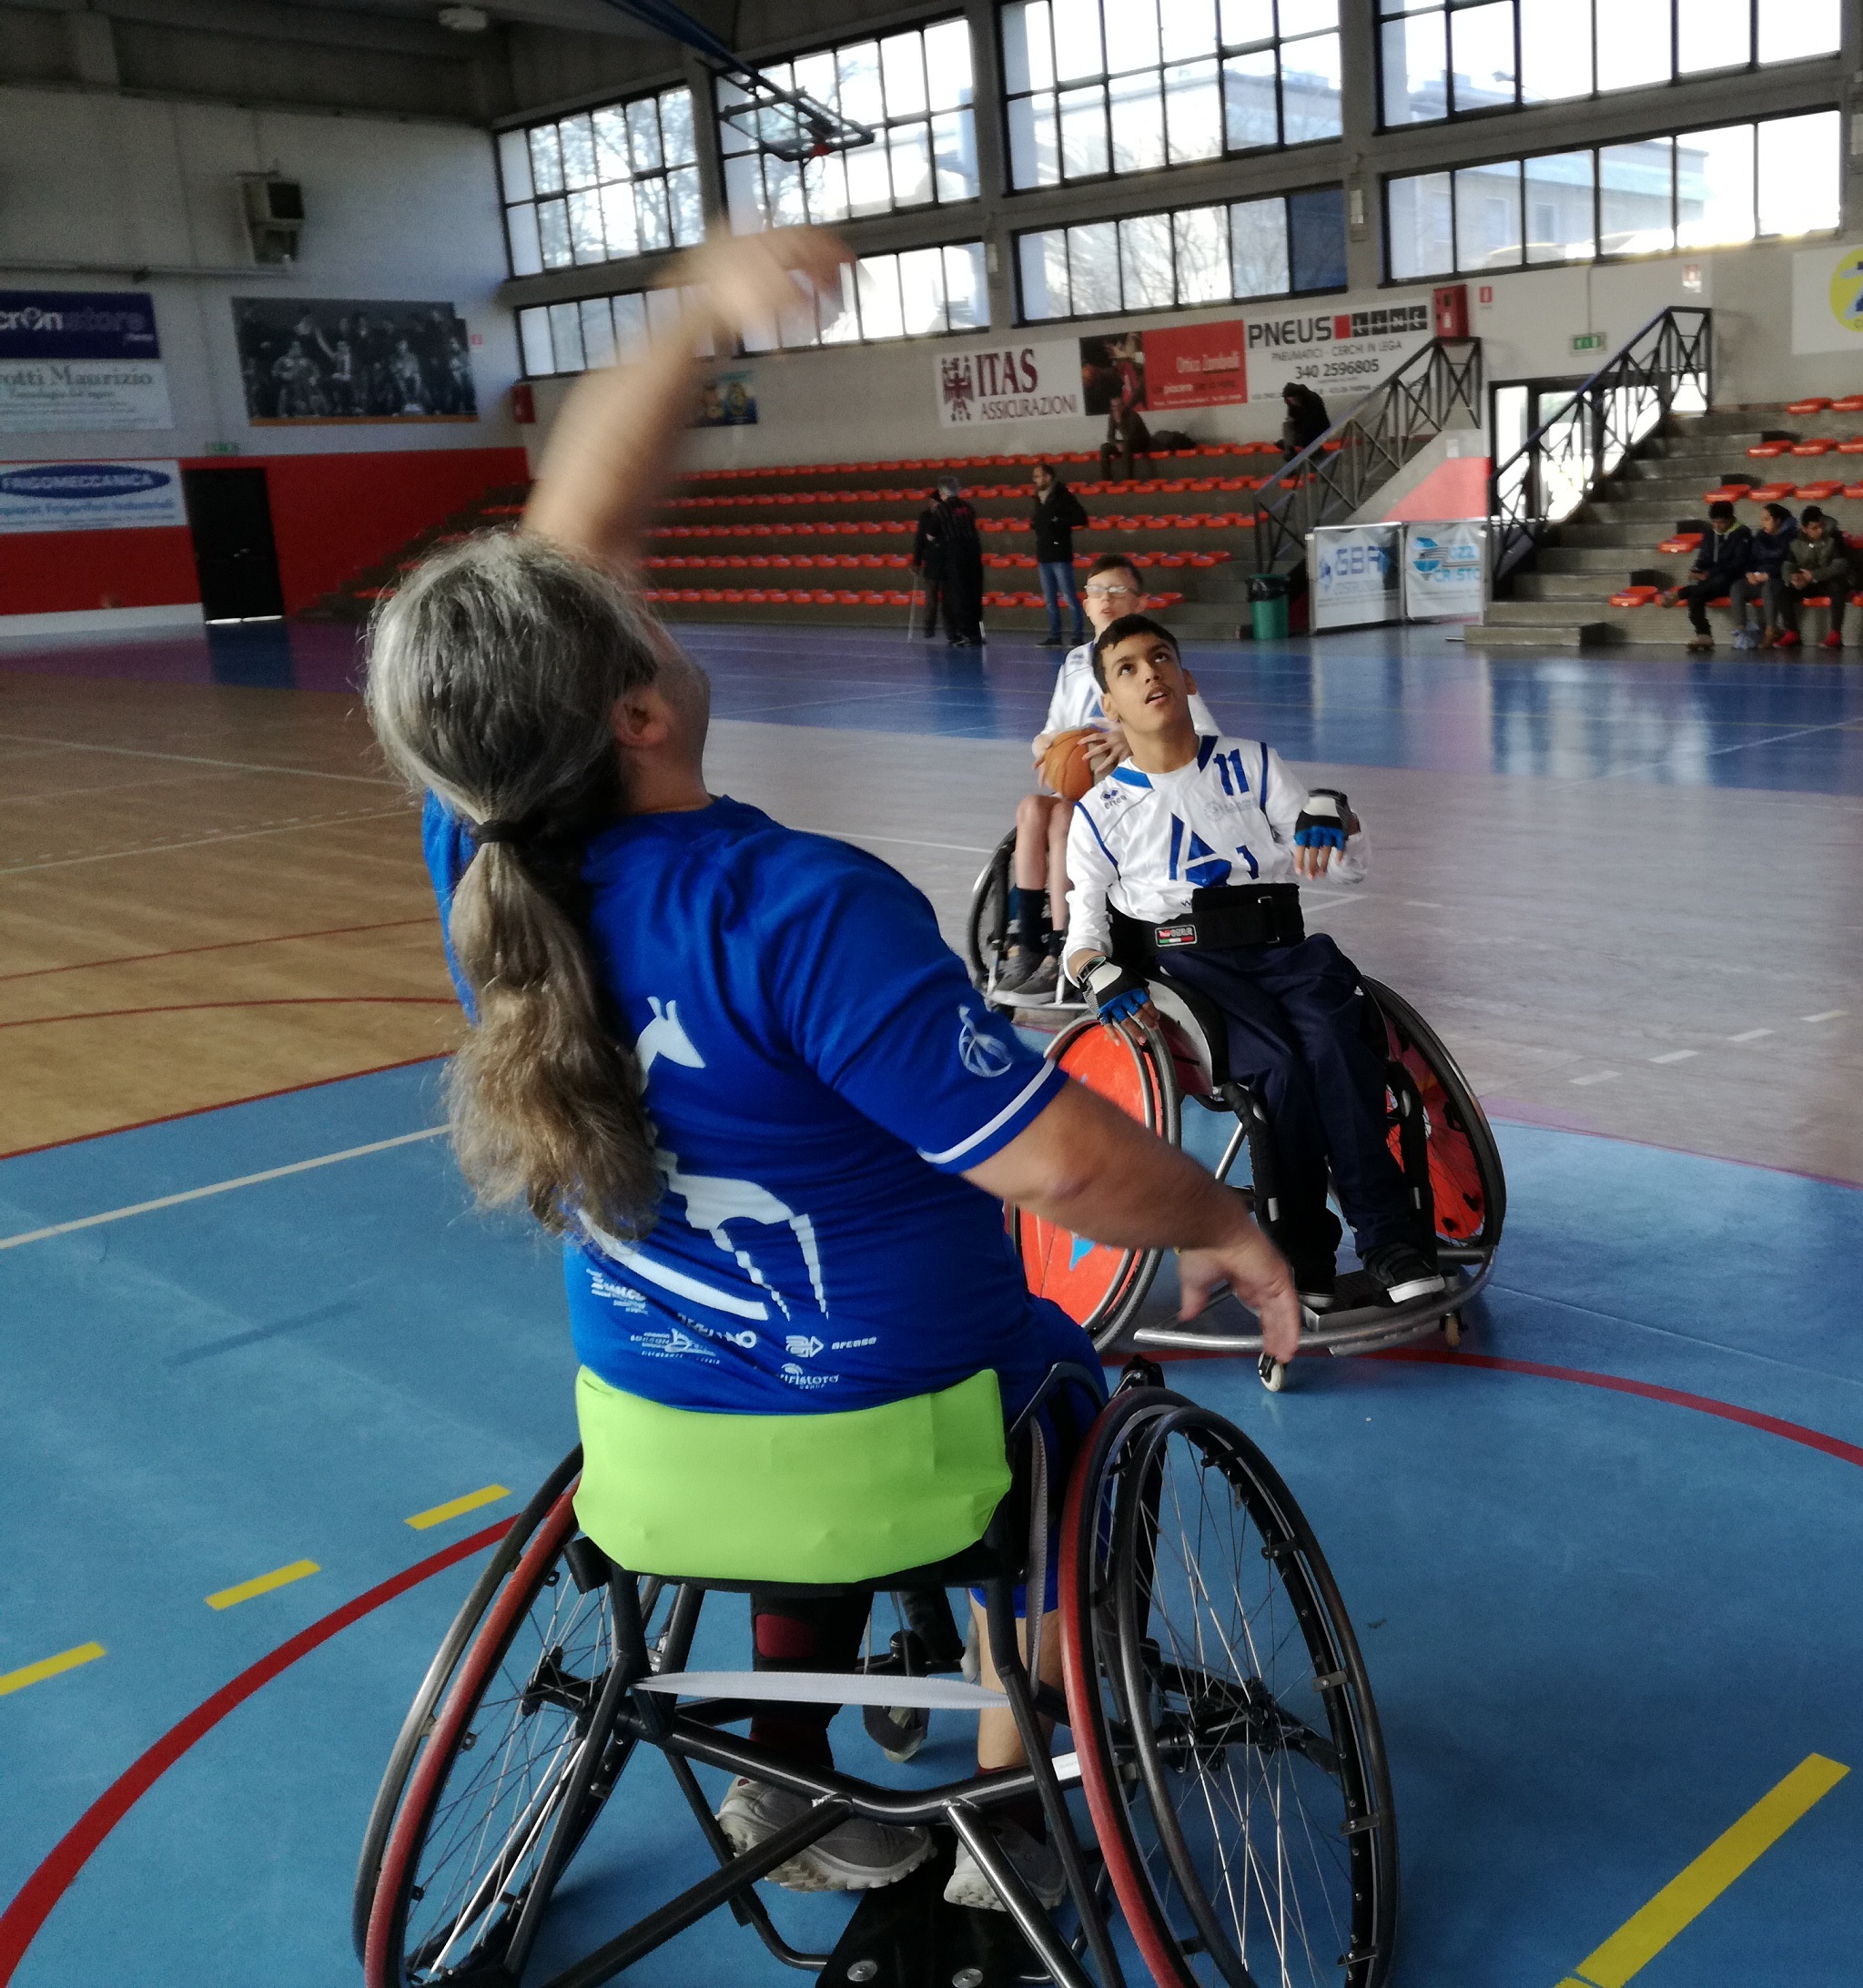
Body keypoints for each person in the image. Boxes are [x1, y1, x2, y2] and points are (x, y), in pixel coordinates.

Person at [362, 227, 1299, 1913]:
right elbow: (1064, 1166)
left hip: (651, 1440)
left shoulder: (482, 843)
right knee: (1066, 1397)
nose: (645, 598)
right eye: (632, 618)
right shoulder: (795, 905)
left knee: (803, 1418)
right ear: (634, 711)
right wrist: (1227, 1224)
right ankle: (1014, 1808)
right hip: (908, 1431)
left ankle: (777, 1767)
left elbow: (565, 538)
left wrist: (699, 316)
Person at [1060, 614, 1449, 1317]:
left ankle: (1392, 1241)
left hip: (1284, 951)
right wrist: (1098, 973)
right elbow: (1082, 936)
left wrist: (1339, 817)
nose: (1150, 673)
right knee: (1276, 1071)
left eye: (1161, 659)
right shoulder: (1098, 814)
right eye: (1128, 669)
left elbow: (1341, 863)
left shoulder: (1253, 764)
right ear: (1109, 707)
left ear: (1187, 678)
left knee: (1338, 1044)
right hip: (1191, 970)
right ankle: (1301, 1253)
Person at [997, 553, 1221, 997]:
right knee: (1032, 808)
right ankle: (1026, 942)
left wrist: (1132, 739)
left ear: (1140, 601)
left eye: (1117, 591)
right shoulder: (1077, 662)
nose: (1106, 599)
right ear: (1084, 604)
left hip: (1135, 799)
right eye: (1097, 590)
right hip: (1084, 789)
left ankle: (1063, 948)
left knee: (1065, 819)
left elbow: (1206, 734)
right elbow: (1051, 728)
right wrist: (1048, 747)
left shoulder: (1153, 660)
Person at [1672, 499, 1754, 653]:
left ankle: (1681, 593)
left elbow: (1738, 563)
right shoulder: (1710, 532)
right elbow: (1704, 556)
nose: (1717, 526)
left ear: (1730, 520)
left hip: (1733, 578)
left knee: (1717, 581)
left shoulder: (1743, 533)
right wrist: (1697, 569)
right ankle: (1703, 635)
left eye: (1721, 523)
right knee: (1696, 597)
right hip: (1711, 578)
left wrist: (1711, 572)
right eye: (1714, 522)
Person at [1028, 462, 1088, 647]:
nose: (1035, 480)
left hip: (1060, 553)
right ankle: (1055, 634)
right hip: (1044, 553)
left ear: (1048, 477)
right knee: (1050, 599)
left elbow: (1081, 517)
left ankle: (1077, 635)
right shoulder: (1038, 498)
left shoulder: (1063, 496)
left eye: (1038, 476)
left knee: (1069, 596)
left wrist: (1058, 522)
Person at [1779, 506, 1853, 650]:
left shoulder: (1834, 536)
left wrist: (1814, 575)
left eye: (1821, 526)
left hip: (1831, 579)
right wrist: (1793, 577)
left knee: (1837, 587)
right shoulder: (1795, 540)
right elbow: (1787, 564)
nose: (1819, 530)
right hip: (1809, 582)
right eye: (1814, 528)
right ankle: (1792, 632)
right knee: (1783, 591)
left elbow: (1840, 566)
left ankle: (1836, 634)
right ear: (1804, 529)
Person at [1730, 500, 1797, 649]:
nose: (1763, 523)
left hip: (1778, 579)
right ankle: (1742, 629)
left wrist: (1770, 574)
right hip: (1758, 578)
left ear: (1778, 520)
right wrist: (1749, 573)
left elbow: (1789, 562)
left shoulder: (1791, 537)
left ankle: (1771, 630)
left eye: (1767, 519)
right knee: (1737, 587)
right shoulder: (1760, 537)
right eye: (1762, 519)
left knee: (1769, 589)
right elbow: (1749, 559)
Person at [933, 475, 986, 646]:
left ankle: (963, 632)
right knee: (974, 592)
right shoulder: (968, 507)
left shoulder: (942, 509)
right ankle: (975, 632)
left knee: (959, 592)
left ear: (942, 492)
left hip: (955, 552)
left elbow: (932, 534)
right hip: (973, 550)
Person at [912, 487, 949, 638]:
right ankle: (928, 628)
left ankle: (950, 629)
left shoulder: (947, 516)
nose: (932, 504)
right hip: (931, 561)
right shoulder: (925, 517)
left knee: (948, 599)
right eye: (931, 501)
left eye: (934, 501)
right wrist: (917, 562)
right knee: (930, 599)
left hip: (946, 561)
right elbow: (919, 540)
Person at [1099, 393, 1152, 482]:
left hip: (1141, 442)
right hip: (1127, 442)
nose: (1116, 409)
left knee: (1126, 445)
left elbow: (1129, 435)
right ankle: (1106, 480)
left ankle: (1129, 479)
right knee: (1104, 447)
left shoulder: (1133, 415)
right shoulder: (1112, 417)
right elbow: (1110, 436)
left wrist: (1119, 421)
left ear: (1123, 406)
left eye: (1118, 406)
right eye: (1113, 407)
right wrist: (1117, 444)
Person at [1280, 380, 1331, 459]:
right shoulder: (1291, 403)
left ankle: (1313, 452)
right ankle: (1290, 449)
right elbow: (1292, 416)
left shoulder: (1313, 400)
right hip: (1302, 427)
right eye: (1290, 400)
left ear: (1299, 397)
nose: (1292, 402)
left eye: (1293, 400)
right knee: (1287, 425)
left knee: (1305, 436)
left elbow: (1315, 420)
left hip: (1317, 426)